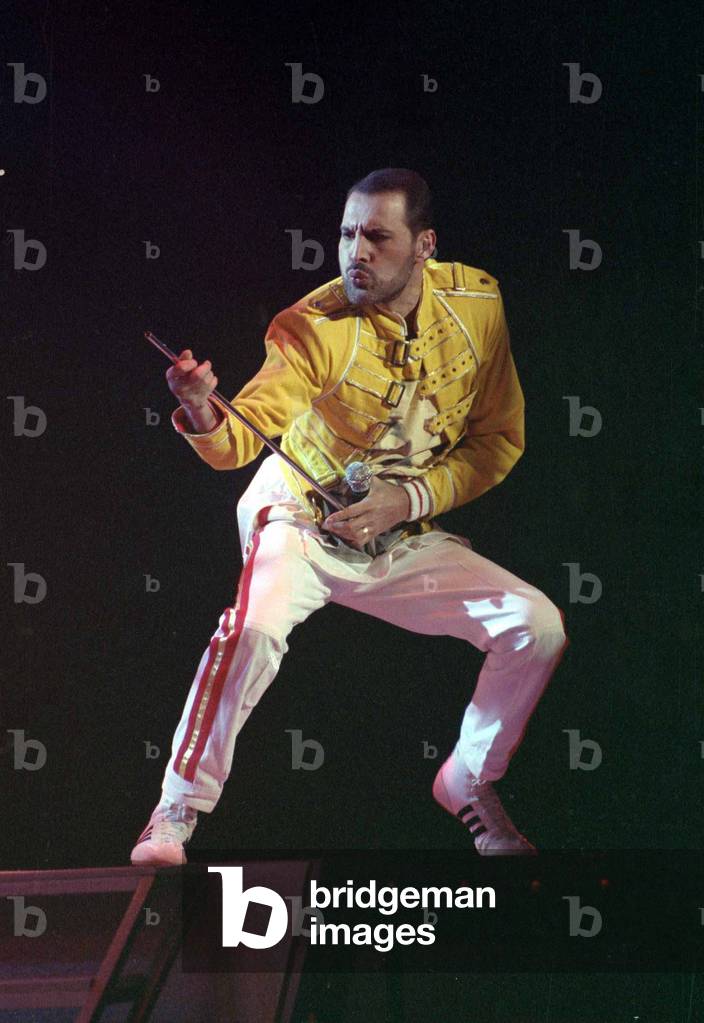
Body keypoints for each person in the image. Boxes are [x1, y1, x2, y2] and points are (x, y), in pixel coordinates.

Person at [130, 168, 569, 866]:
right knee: (254, 629)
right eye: (345, 234)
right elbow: (241, 439)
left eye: (376, 237)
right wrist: (201, 406)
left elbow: (499, 441)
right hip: (301, 523)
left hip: (398, 532)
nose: (354, 252)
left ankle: (467, 779)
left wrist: (407, 501)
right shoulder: (312, 327)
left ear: (424, 245)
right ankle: (173, 815)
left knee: (536, 624)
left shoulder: (478, 304)